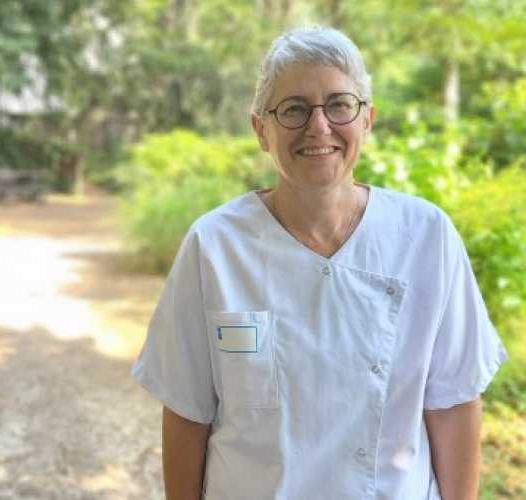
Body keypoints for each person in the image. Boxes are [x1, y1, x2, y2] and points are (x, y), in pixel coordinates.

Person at [131, 26, 509, 500]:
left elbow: (453, 404)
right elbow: (188, 412)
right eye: (293, 109)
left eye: (339, 104)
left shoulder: (426, 236)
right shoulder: (215, 245)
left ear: (367, 119)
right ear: (260, 130)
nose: (319, 126)